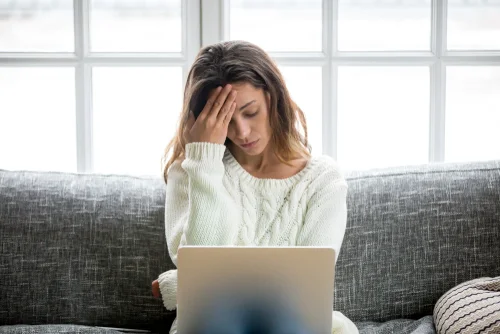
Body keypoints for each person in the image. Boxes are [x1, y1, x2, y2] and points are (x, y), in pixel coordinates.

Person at [151, 40, 358, 334]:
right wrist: (205, 162)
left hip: (293, 325)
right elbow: (201, 268)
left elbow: (305, 288)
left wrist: (180, 285)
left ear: (273, 98)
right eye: (225, 121)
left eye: (250, 112)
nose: (242, 132)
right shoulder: (192, 171)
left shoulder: (323, 180)